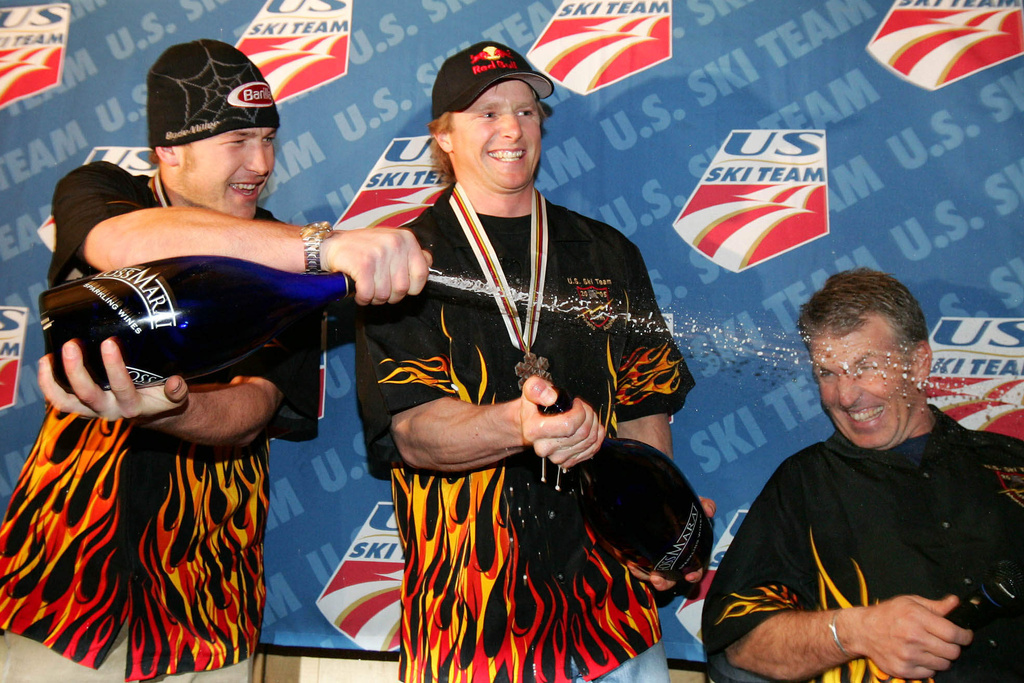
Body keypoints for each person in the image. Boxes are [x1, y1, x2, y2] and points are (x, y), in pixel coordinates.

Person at [0, 39, 429, 682]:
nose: (261, 163)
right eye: (236, 141)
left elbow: (252, 409)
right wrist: (323, 245)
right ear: (169, 151)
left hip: (202, 610)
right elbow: (125, 242)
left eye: (268, 138)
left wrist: (170, 407)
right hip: (61, 589)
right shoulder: (104, 191)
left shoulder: (284, 262)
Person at [356, 41, 712, 683]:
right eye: (486, 113)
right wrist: (519, 426)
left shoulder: (605, 253)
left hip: (613, 626)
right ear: (444, 136)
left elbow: (644, 406)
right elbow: (413, 434)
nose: (511, 128)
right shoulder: (403, 263)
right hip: (472, 628)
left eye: (525, 110)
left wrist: (652, 521)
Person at [701, 268, 1024, 682]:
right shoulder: (804, 485)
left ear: (919, 363)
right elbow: (740, 645)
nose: (846, 396)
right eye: (827, 373)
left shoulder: (1009, 463)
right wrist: (857, 632)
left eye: (865, 366)